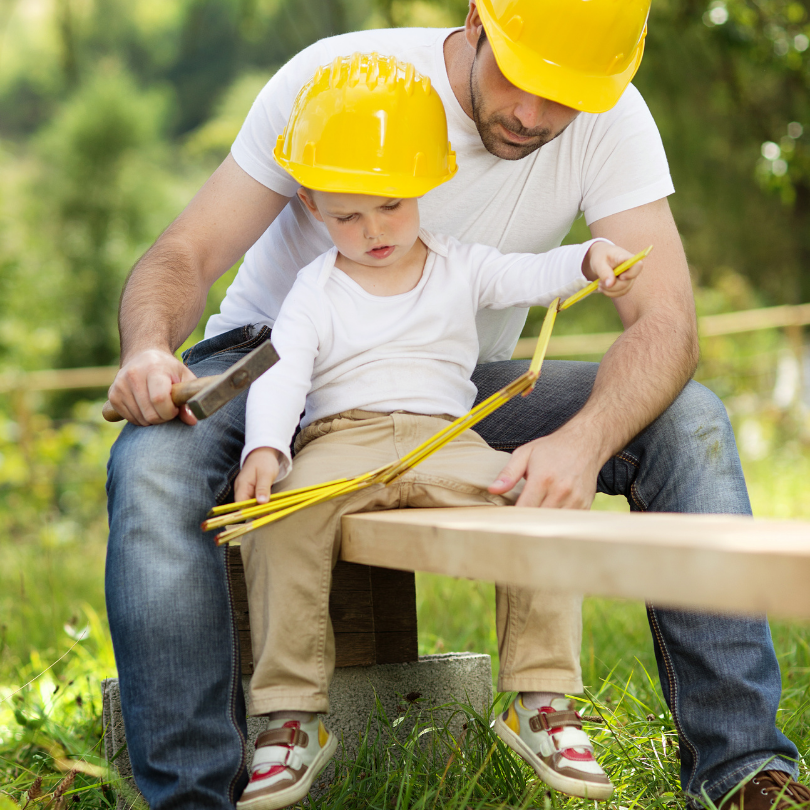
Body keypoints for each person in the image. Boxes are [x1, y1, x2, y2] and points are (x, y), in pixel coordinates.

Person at [104, 2, 805, 808]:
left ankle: (745, 768)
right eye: (523, 80)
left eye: (567, 97)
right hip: (273, 361)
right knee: (153, 465)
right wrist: (150, 347)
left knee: (689, 416)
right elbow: (184, 252)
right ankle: (194, 794)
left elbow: (668, 321)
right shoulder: (337, 81)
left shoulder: (612, 117)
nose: (536, 117)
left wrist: (580, 444)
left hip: (446, 382)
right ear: (478, 20)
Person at [232, 53, 644, 809]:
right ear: (313, 206)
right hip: (341, 438)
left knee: (539, 503)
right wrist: (267, 446)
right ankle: (290, 717)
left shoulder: (461, 266)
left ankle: (542, 699)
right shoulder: (314, 291)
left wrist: (589, 256)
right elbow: (284, 372)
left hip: (447, 437)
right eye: (346, 216)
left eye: (390, 207)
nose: (372, 230)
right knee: (278, 519)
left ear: (424, 186)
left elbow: (531, 275)